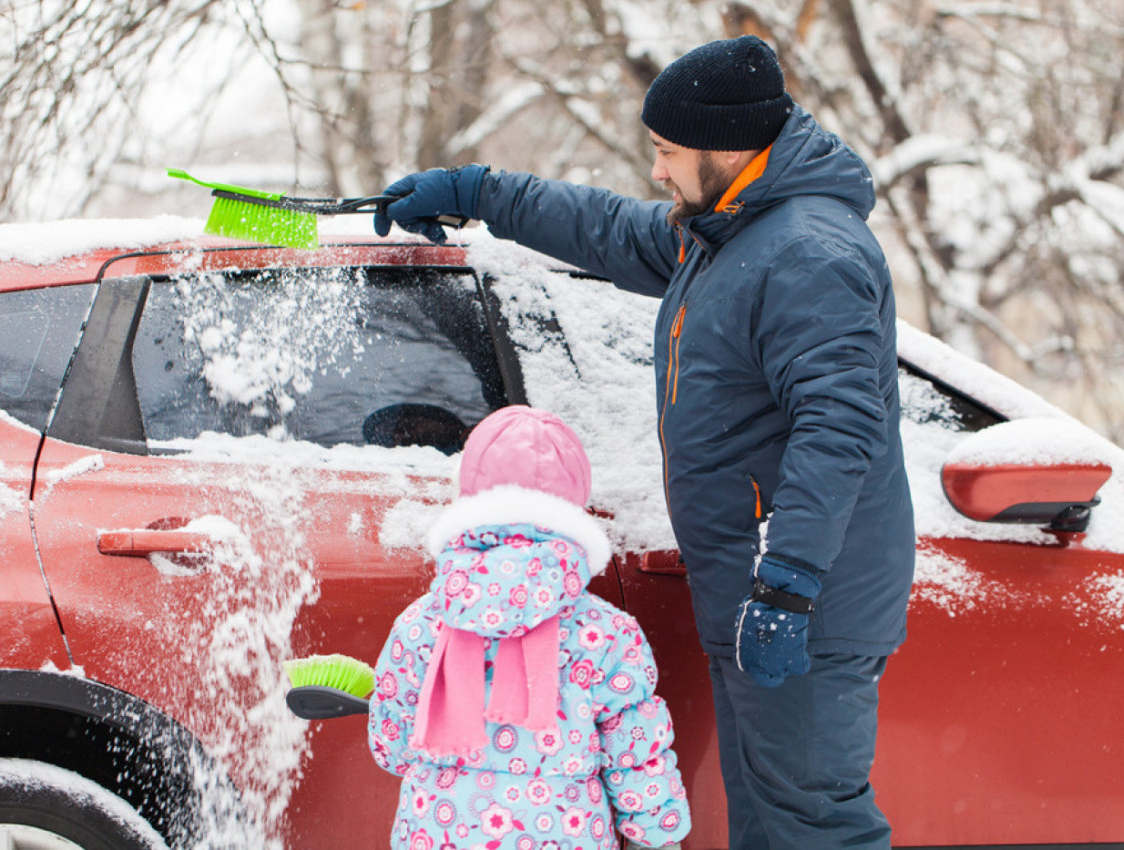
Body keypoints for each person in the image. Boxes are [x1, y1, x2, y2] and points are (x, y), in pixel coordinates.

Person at [373, 34, 916, 849]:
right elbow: (613, 230)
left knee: (812, 823)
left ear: (724, 146)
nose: (658, 172)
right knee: (773, 818)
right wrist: (479, 190)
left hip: (807, 597)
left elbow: (838, 426)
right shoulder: (735, 231)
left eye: (667, 153)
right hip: (756, 583)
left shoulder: (806, 253)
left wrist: (789, 585)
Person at [367, 404, 691, 850]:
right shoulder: (606, 633)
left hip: (437, 833)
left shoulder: (421, 625)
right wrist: (657, 836)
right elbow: (635, 754)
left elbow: (393, 746)